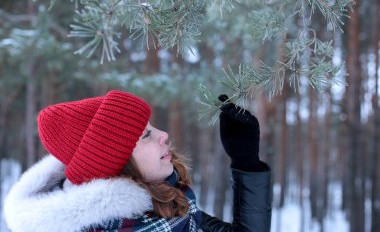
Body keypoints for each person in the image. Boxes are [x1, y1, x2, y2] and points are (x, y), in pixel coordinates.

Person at [4, 90, 271, 232]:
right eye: (146, 135)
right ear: (115, 164)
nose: (164, 135)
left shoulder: (161, 211)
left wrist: (246, 164)